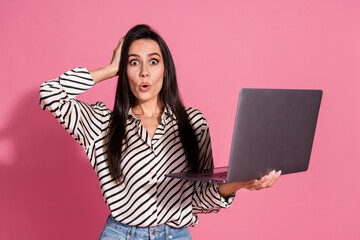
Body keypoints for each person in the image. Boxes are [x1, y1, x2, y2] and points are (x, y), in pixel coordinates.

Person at [39, 24, 281, 240]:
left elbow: (199, 198)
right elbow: (49, 93)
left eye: (153, 61)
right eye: (134, 62)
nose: (144, 72)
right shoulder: (101, 123)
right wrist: (111, 68)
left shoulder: (194, 123)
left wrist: (237, 184)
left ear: (166, 69)